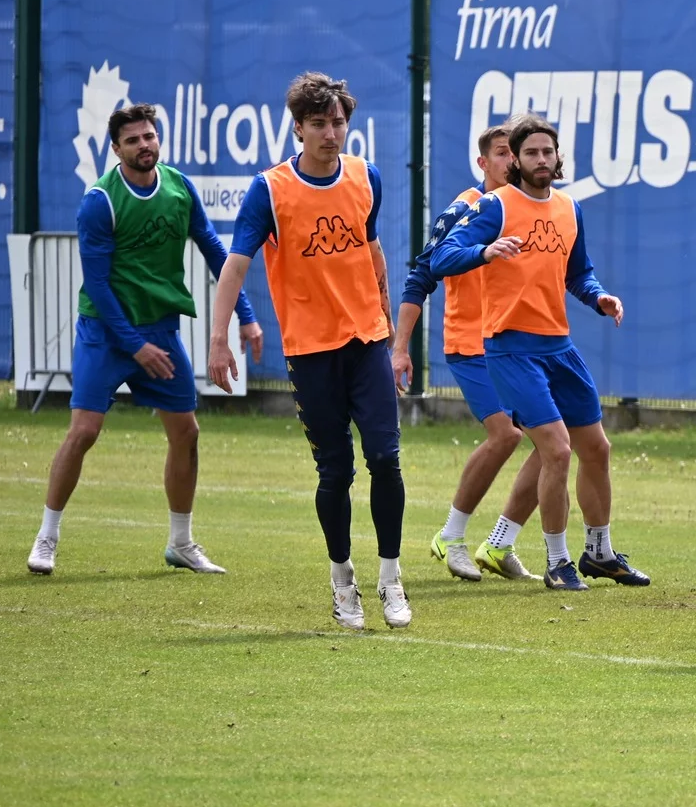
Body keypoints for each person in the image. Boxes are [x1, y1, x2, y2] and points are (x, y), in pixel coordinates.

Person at [27, 103, 263, 577]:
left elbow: (215, 250)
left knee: (187, 433)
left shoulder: (179, 188)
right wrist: (134, 345)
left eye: (149, 136)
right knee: (84, 431)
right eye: (132, 140)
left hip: (159, 331)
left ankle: (181, 543)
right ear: (116, 149)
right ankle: (46, 537)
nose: (144, 145)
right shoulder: (100, 201)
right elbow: (97, 285)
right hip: (105, 333)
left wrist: (246, 314)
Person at [209, 73, 409, 631]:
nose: (330, 133)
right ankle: (343, 581)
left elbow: (372, 251)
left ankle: (391, 577)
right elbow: (236, 266)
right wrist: (219, 338)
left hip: (367, 340)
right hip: (311, 351)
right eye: (318, 123)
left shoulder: (366, 176)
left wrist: (390, 329)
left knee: (385, 458)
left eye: (338, 122)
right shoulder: (270, 190)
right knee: (335, 471)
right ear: (298, 128)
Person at [429, 113, 645, 593]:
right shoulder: (495, 205)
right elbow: (441, 257)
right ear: (516, 160)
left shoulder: (570, 208)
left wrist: (598, 297)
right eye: (531, 152)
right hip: (511, 349)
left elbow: (579, 272)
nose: (541, 159)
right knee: (557, 450)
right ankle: (557, 562)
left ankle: (599, 552)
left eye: (548, 151)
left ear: (557, 156)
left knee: (597, 449)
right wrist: (484, 252)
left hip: (559, 347)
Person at [391, 124, 541, 582]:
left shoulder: (529, 206)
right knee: (507, 436)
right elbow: (421, 275)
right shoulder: (465, 208)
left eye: (514, 153)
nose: (511, 161)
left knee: (556, 444)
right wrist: (400, 348)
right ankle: (450, 536)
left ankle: (499, 544)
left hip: (517, 344)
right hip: (472, 345)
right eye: (502, 153)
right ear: (483, 162)